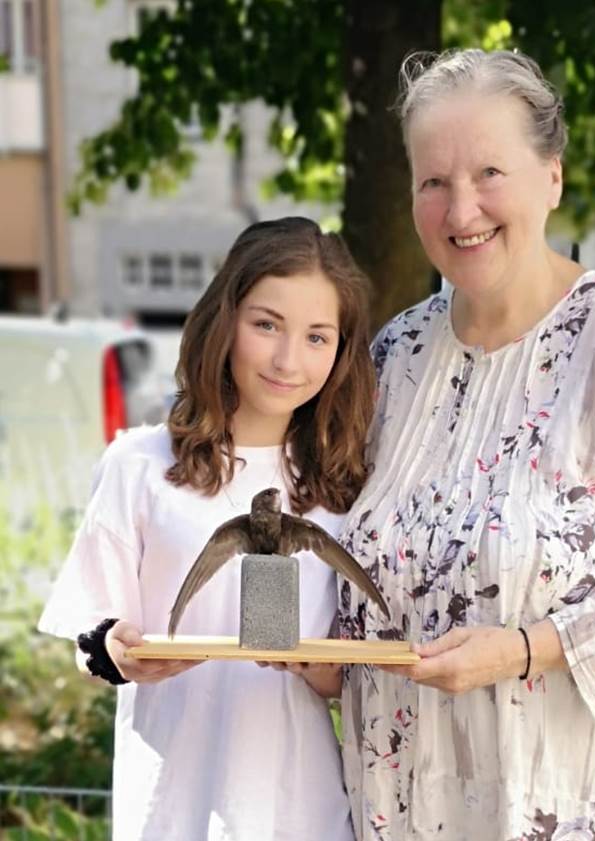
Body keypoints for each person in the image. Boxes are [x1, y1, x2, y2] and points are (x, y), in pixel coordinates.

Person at [337, 49, 595, 841]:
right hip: (411, 808)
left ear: (551, 176)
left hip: (581, 804)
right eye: (433, 182)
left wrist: (523, 648)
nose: (460, 211)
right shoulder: (391, 356)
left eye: (489, 172)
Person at [38, 217, 375, 841]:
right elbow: (92, 634)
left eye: (317, 337)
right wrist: (118, 653)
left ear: (342, 350)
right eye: (266, 324)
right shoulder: (139, 464)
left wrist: (312, 666)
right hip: (170, 802)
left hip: (299, 805)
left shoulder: (343, 489)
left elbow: (345, 674)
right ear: (226, 320)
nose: (287, 359)